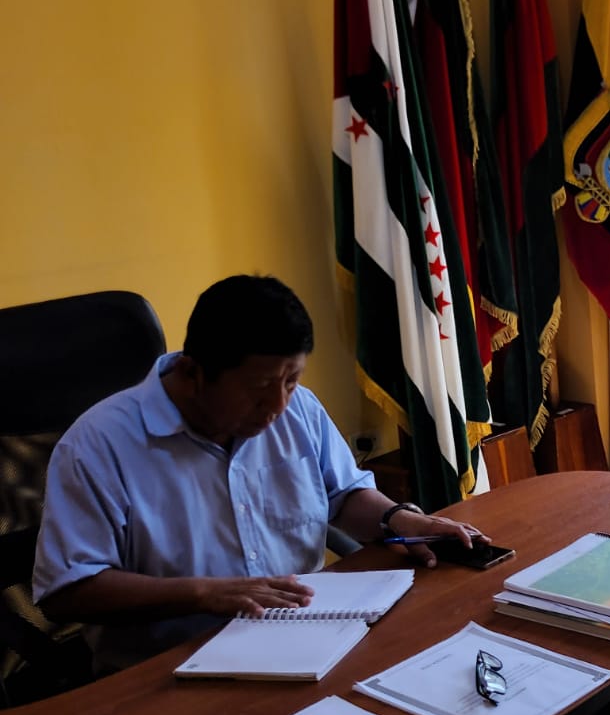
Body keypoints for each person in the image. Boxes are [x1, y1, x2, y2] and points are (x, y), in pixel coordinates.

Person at [32, 274, 484, 672]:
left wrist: (398, 520)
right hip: (171, 668)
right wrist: (200, 594)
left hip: (309, 641)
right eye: (260, 388)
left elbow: (344, 495)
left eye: (291, 380)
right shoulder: (97, 446)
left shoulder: (298, 409)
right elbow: (68, 592)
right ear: (192, 372)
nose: (278, 406)